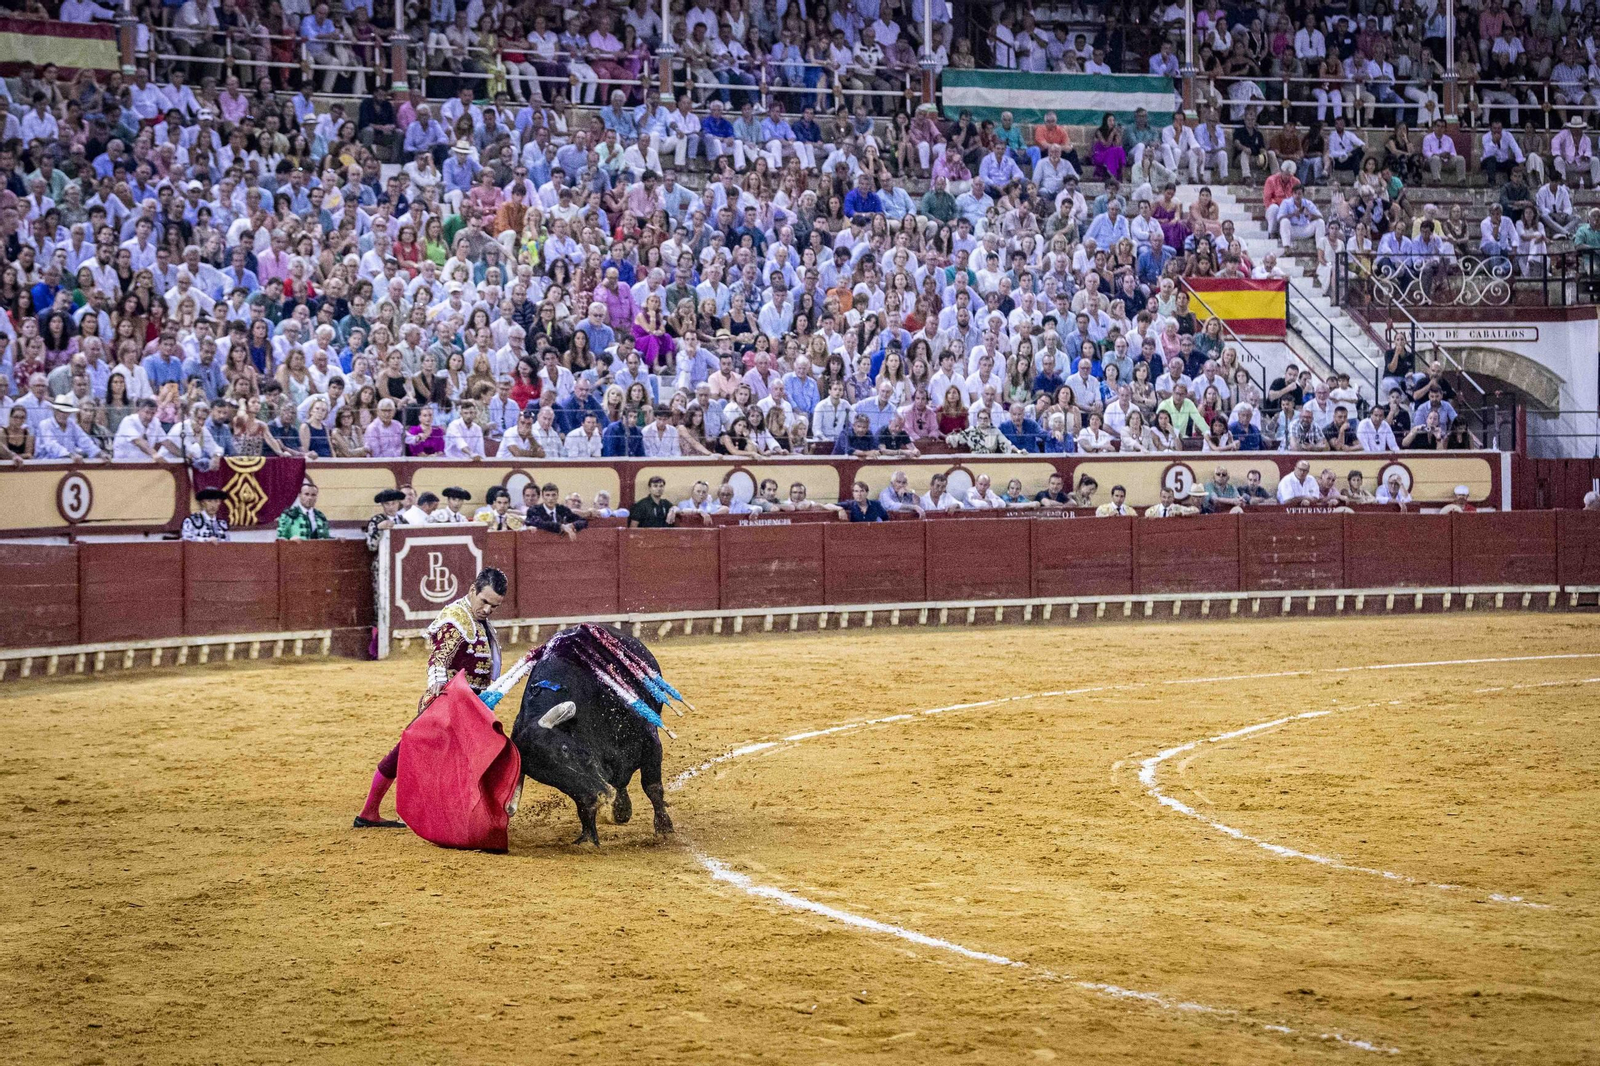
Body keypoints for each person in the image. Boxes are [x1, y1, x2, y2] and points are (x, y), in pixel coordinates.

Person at [353, 567, 508, 829]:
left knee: (446, 760)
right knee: (409, 756)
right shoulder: (456, 619)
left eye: (494, 606)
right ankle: (371, 812)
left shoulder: (477, 619)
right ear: (473, 590)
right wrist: (439, 690)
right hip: (448, 705)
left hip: (470, 707)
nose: (487, 609)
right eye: (484, 601)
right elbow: (439, 658)